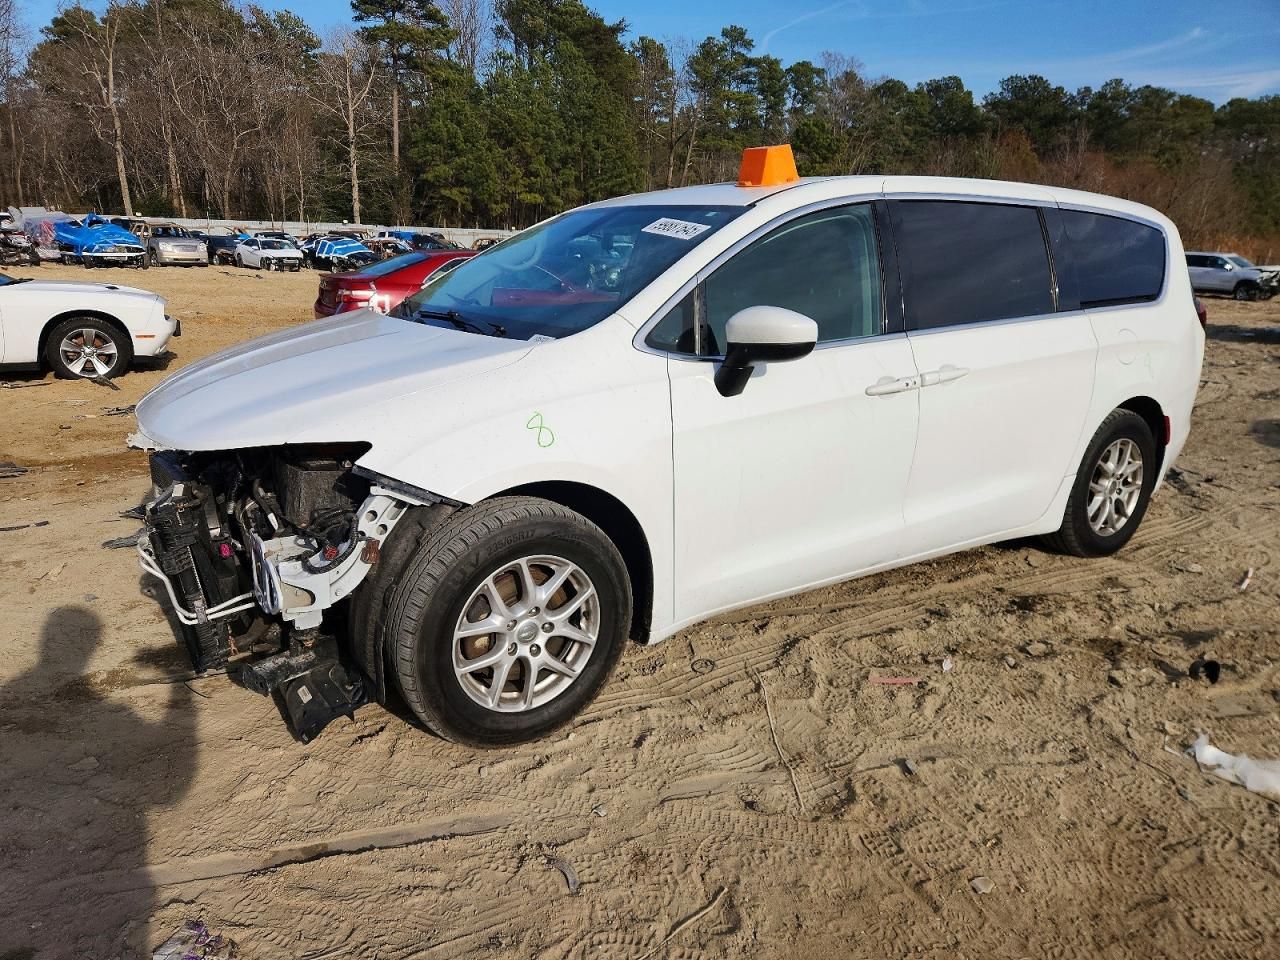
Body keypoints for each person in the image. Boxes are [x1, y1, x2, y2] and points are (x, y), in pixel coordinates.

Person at [0, 606, 196, 956]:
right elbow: (173, 791)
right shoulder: (119, 714)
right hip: (110, 863)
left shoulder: (10, 692)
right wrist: (182, 696)